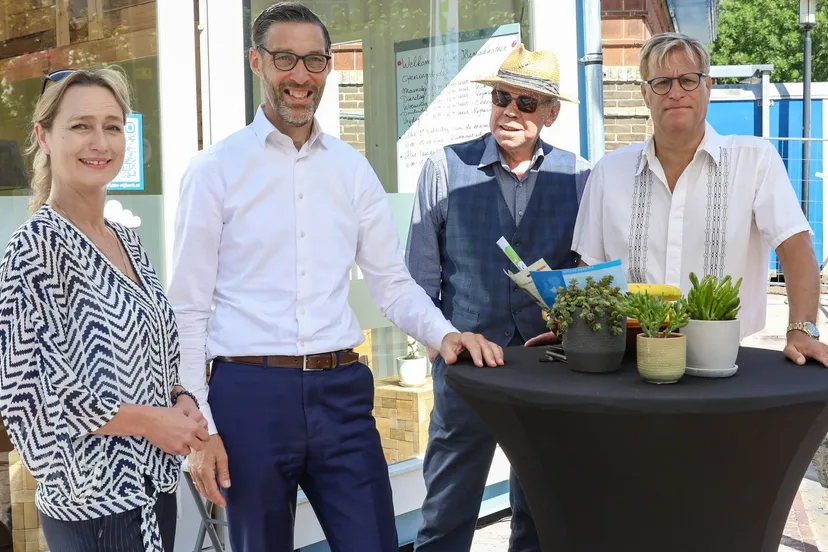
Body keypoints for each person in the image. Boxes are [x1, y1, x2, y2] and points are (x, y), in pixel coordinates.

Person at [168, 3, 504, 551]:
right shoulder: (214, 172)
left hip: (341, 394)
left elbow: (391, 283)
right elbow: (187, 308)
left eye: (315, 61)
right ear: (257, 62)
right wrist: (201, 425)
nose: (300, 76)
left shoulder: (352, 170)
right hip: (249, 397)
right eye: (285, 59)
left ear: (329, 67)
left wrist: (445, 334)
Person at [0, 67, 209, 552]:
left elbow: (155, 352)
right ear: (44, 136)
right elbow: (23, 396)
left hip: (153, 495)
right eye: (81, 125)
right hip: (92, 509)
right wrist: (150, 422)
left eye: (113, 126)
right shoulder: (36, 249)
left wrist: (180, 400)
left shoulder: (128, 242)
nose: (100, 142)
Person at [528, 31, 828, 366]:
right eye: (661, 83)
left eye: (688, 80)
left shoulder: (754, 160)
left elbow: (795, 246)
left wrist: (802, 330)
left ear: (708, 87)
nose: (675, 93)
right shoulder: (609, 172)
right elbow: (591, 273)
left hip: (725, 358)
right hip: (630, 360)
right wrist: (576, 328)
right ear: (645, 93)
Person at [405, 44, 591, 551]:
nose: (510, 110)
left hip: (545, 367)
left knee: (539, 515)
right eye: (502, 97)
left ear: (550, 115)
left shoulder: (578, 176)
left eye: (526, 103)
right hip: (466, 368)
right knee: (446, 515)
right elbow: (418, 278)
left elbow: (586, 277)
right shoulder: (444, 168)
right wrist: (439, 344)